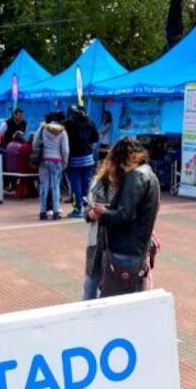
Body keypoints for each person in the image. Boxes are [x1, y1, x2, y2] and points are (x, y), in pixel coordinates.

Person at [87, 137, 160, 296]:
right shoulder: (149, 174)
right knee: (131, 299)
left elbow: (124, 215)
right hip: (137, 250)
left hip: (125, 250)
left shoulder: (134, 176)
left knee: (114, 303)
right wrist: (110, 210)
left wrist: (104, 214)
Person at [83, 153, 119, 300]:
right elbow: (87, 209)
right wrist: (91, 213)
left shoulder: (129, 184)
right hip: (97, 243)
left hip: (116, 244)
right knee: (90, 286)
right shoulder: (97, 182)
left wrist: (108, 212)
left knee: (110, 290)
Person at [64, 106, 100, 218]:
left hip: (74, 158)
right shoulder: (90, 122)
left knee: (76, 185)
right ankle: (87, 206)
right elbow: (96, 137)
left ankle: (78, 209)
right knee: (87, 183)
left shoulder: (68, 124)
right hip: (88, 157)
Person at [33, 112, 69, 221]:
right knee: (55, 186)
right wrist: (65, 162)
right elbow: (65, 150)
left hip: (44, 159)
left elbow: (34, 143)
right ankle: (56, 211)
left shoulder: (43, 129)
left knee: (44, 186)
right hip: (56, 160)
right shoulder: (62, 131)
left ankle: (42, 211)